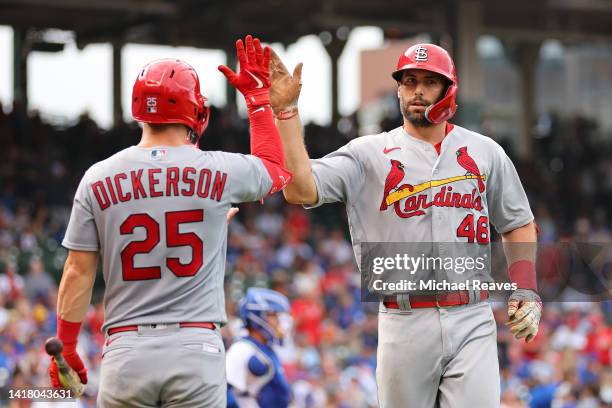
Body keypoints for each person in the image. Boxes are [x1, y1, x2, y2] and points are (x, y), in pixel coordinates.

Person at [270, 44, 543, 407]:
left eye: (430, 82)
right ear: (398, 89)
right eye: (409, 80)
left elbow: (518, 223)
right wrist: (286, 113)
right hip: (404, 319)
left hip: (471, 316)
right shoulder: (367, 153)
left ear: (449, 89)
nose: (417, 90)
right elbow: (299, 189)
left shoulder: (485, 151)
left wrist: (525, 289)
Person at [48, 35, 292, 407]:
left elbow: (77, 270)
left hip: (126, 350)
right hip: (196, 349)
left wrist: (66, 344)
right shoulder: (217, 169)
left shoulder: (97, 176)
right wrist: (258, 103)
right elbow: (277, 170)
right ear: (196, 111)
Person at [226, 288, 291, 408]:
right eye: (273, 316)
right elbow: (226, 392)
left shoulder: (267, 349)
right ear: (258, 316)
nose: (278, 322)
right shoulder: (242, 348)